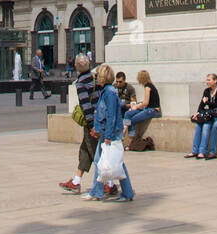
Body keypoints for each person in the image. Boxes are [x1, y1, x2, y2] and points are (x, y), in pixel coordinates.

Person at [85, 64, 134, 202]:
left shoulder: (110, 93)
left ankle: (99, 192)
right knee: (109, 161)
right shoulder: (106, 91)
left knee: (111, 162)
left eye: (98, 76)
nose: (96, 78)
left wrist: (107, 136)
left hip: (111, 133)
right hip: (107, 131)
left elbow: (111, 115)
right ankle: (121, 192)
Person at [60, 55, 102, 194]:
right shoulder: (96, 78)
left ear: (77, 67)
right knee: (85, 150)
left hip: (93, 123)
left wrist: (91, 126)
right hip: (101, 118)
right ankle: (76, 181)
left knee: (98, 153)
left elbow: (86, 105)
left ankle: (109, 184)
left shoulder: (80, 83)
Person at [186, 73, 217, 159]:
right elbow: (201, 104)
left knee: (206, 126)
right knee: (198, 125)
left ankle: (202, 152)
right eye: (207, 80)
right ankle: (194, 151)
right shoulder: (207, 91)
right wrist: (198, 113)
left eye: (209, 80)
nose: (207, 82)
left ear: (215, 81)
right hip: (209, 114)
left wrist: (207, 102)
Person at [123, 70, 161, 148]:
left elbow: (145, 103)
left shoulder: (148, 87)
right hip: (148, 109)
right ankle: (124, 131)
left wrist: (136, 106)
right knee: (127, 114)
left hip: (152, 110)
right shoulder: (149, 85)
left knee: (132, 120)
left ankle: (131, 142)